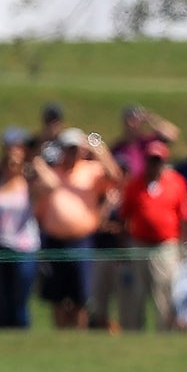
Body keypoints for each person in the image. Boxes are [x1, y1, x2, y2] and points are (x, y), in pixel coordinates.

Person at [32, 130, 119, 330]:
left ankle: (79, 334)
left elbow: (114, 175)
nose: (72, 154)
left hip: (81, 240)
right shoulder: (53, 172)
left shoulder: (90, 170)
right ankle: (61, 335)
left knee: (81, 294)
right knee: (57, 294)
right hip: (54, 239)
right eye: (68, 149)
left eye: (75, 149)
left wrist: (95, 147)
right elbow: (45, 185)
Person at [122, 138, 187, 331]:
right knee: (136, 291)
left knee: (164, 289)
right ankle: (134, 330)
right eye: (151, 160)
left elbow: (185, 217)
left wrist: (182, 245)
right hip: (139, 243)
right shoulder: (135, 184)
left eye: (157, 160)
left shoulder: (176, 182)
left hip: (166, 245)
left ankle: (164, 331)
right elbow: (125, 215)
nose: (154, 164)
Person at [0, 130, 40, 330]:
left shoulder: (28, 183)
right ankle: (2, 334)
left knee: (20, 295)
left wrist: (34, 161)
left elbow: (51, 185)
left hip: (23, 247)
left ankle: (21, 332)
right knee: (0, 296)